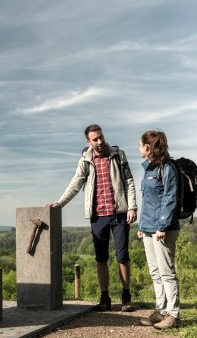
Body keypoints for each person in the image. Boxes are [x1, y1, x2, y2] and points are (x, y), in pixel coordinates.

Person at [46, 124, 138, 312]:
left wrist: (132, 207)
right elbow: (75, 185)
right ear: (89, 142)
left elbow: (129, 181)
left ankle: (126, 296)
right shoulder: (86, 160)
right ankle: (105, 298)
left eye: (101, 137)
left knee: (122, 256)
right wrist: (59, 203)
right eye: (95, 139)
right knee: (101, 258)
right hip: (98, 216)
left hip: (119, 213)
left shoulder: (118, 155)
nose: (100, 141)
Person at [137, 130, 181, 330]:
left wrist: (161, 226)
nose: (139, 148)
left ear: (148, 147)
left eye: (140, 145)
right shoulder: (148, 169)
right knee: (155, 272)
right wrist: (141, 226)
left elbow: (169, 199)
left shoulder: (168, 168)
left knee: (166, 272)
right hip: (148, 228)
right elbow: (148, 201)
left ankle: (173, 314)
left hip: (163, 229)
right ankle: (160, 310)